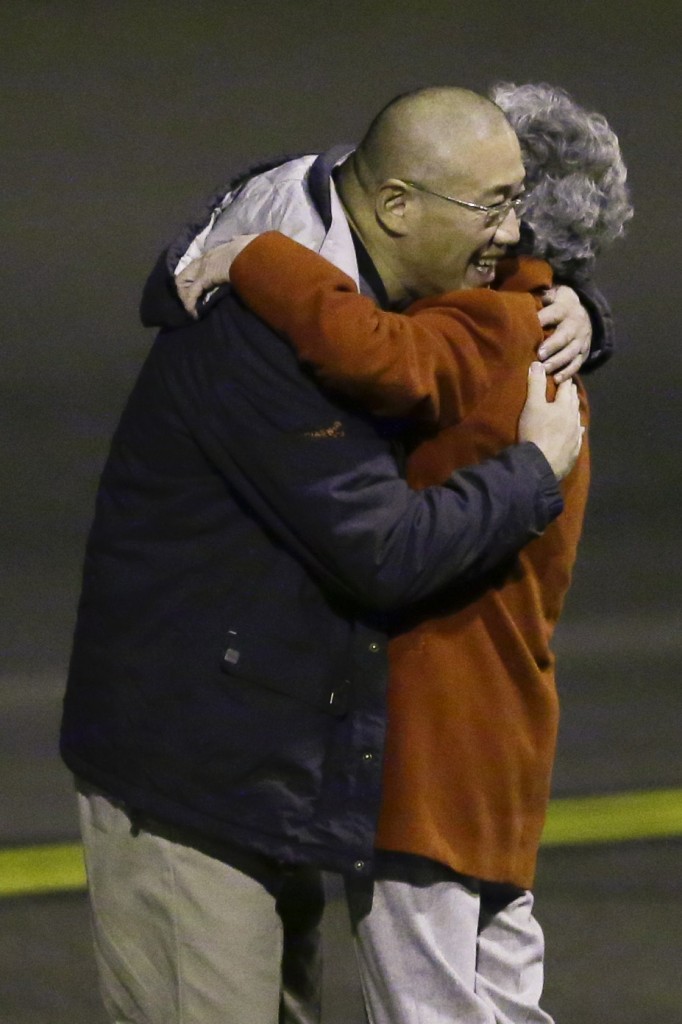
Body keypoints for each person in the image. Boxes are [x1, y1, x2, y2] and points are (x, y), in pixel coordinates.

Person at [63, 87, 587, 1024]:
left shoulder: (375, 267)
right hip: (191, 771)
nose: (514, 232)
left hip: (272, 754)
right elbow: (384, 549)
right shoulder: (266, 325)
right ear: (395, 206)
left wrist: (578, 300)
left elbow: (469, 322)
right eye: (496, 210)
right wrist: (532, 472)